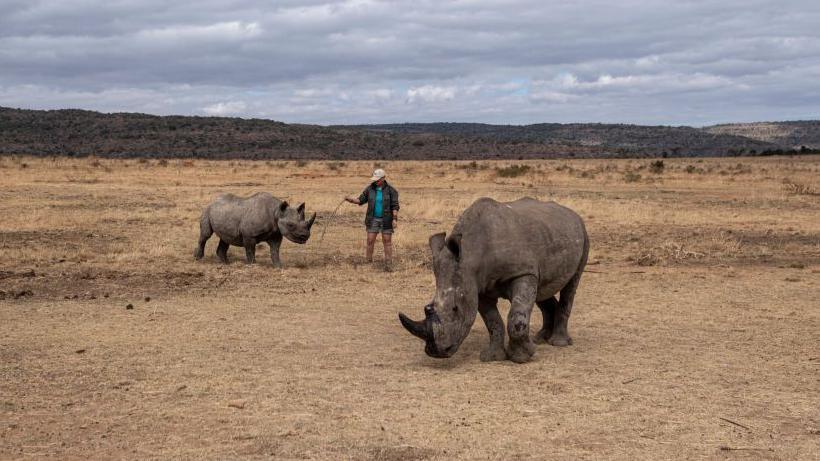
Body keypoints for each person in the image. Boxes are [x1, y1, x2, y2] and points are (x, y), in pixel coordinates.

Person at [344, 168, 399, 271]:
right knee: (370, 240)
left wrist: (394, 219)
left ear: (383, 178)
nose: (376, 181)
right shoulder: (370, 189)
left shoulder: (391, 191)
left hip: (387, 220)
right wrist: (350, 200)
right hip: (373, 219)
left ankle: (388, 262)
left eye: (378, 179)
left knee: (387, 241)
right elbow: (360, 200)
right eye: (375, 179)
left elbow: (395, 206)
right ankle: (368, 261)